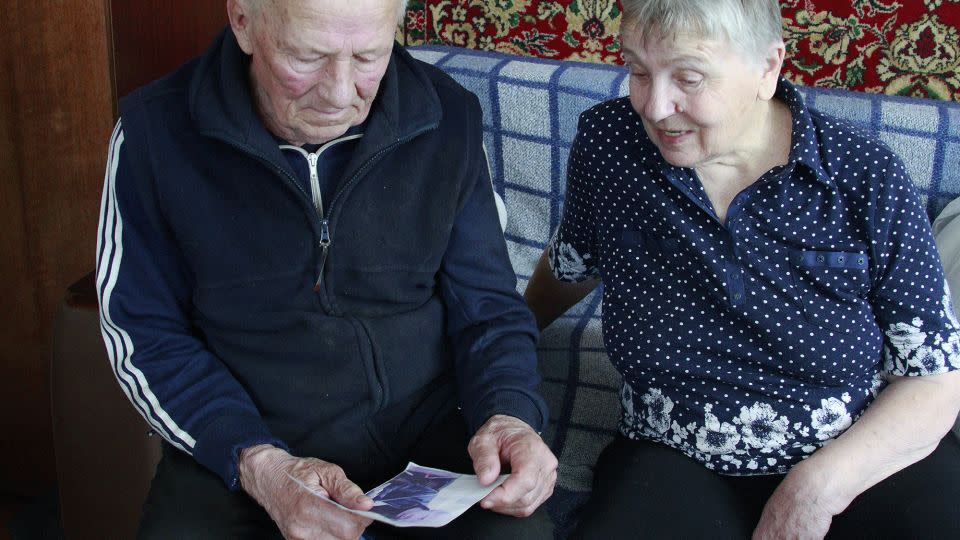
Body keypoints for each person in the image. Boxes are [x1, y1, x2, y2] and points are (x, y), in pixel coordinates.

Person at [95, 0, 557, 538]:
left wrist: (509, 414)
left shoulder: (448, 117)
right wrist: (259, 464)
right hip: (246, 446)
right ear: (244, 21)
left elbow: (490, 311)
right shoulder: (154, 135)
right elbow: (143, 334)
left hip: (428, 437)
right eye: (307, 56)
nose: (340, 94)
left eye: (368, 56)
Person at [524, 0, 960, 537]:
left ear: (768, 69)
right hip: (672, 449)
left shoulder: (861, 174)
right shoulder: (612, 146)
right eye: (638, 71)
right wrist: (501, 341)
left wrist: (813, 490)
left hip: (852, 450)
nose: (655, 107)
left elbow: (936, 378)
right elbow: (574, 261)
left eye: (688, 76)